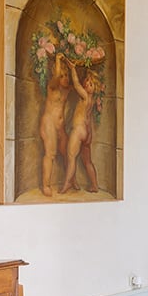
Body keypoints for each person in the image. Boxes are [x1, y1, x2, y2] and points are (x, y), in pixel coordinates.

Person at [60, 62, 101, 194]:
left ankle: (66, 184)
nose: (86, 83)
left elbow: (77, 84)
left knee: (71, 157)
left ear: (94, 88)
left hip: (78, 130)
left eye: (90, 83)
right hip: (88, 133)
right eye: (87, 80)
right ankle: (94, 185)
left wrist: (72, 69)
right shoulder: (93, 99)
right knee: (87, 161)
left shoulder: (85, 95)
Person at [38, 52, 70, 197]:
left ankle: (71, 179)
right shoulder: (52, 86)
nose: (65, 78)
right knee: (50, 154)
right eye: (62, 75)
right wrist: (57, 60)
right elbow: (56, 78)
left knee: (67, 152)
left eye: (66, 75)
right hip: (49, 123)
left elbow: (77, 83)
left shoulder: (67, 90)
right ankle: (46, 185)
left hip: (60, 126)